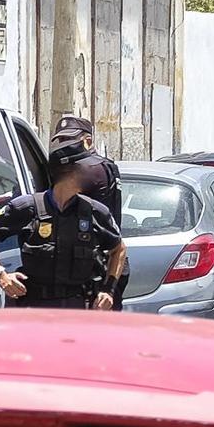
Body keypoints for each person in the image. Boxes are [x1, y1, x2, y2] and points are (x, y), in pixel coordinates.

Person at [0, 137, 126, 427]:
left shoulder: (94, 211)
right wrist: (1, 275)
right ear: (68, 171)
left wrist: (108, 289)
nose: (93, 172)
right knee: (28, 404)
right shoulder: (28, 207)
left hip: (74, 318)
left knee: (64, 405)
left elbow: (118, 250)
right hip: (30, 318)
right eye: (86, 166)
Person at [51, 113, 126, 307]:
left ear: (88, 141)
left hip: (97, 264)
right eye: (60, 140)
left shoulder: (89, 169)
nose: (63, 146)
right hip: (105, 259)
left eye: (68, 140)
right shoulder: (106, 165)